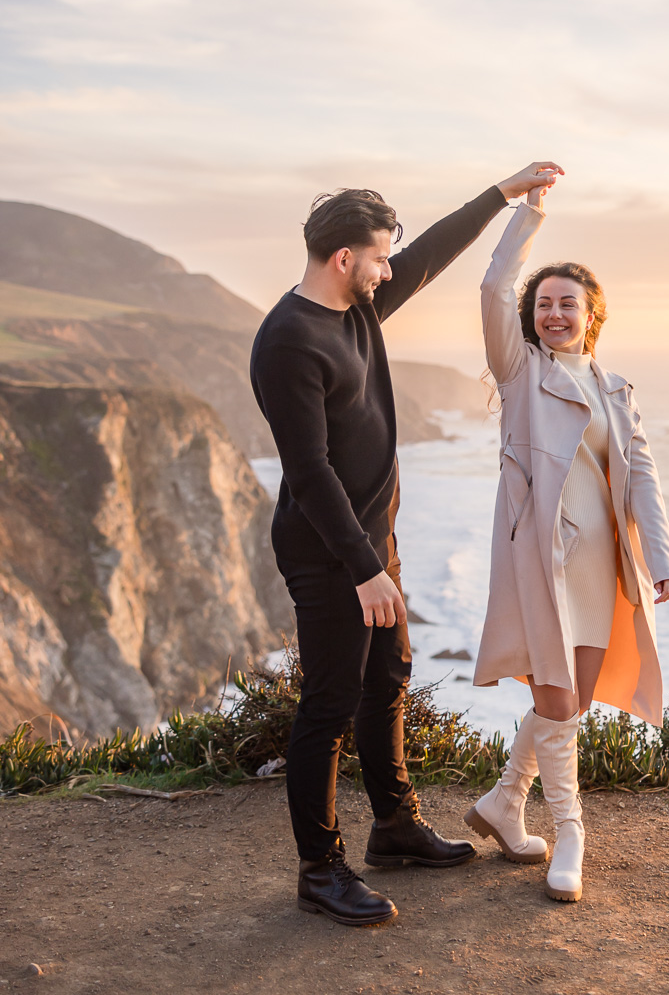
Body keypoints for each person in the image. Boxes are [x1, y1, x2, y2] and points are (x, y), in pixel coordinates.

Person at [250, 162, 561, 927]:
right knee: (328, 702)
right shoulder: (288, 340)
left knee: (389, 675)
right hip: (329, 551)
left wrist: (503, 194)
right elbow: (310, 469)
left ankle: (394, 827)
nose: (391, 269)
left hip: (371, 539)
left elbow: (429, 253)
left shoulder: (358, 304)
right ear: (343, 259)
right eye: (378, 257)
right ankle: (320, 870)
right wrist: (363, 570)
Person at [464, 176, 669, 903]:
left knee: (573, 700)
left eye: (569, 303)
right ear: (532, 316)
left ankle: (503, 800)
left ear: (592, 317)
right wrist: (528, 209)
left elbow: (643, 478)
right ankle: (570, 834)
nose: (554, 312)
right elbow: (497, 285)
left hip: (603, 568)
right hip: (544, 563)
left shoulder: (617, 390)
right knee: (557, 702)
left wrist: (663, 562)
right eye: (545, 303)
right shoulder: (522, 373)